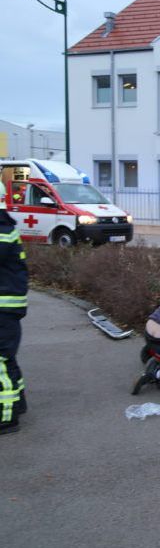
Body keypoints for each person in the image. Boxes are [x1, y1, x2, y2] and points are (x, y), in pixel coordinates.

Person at [0, 182, 28, 435]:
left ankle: (5, 417)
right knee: (6, 358)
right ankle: (17, 403)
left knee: (1, 361)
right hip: (8, 306)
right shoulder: (5, 225)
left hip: (3, 307)